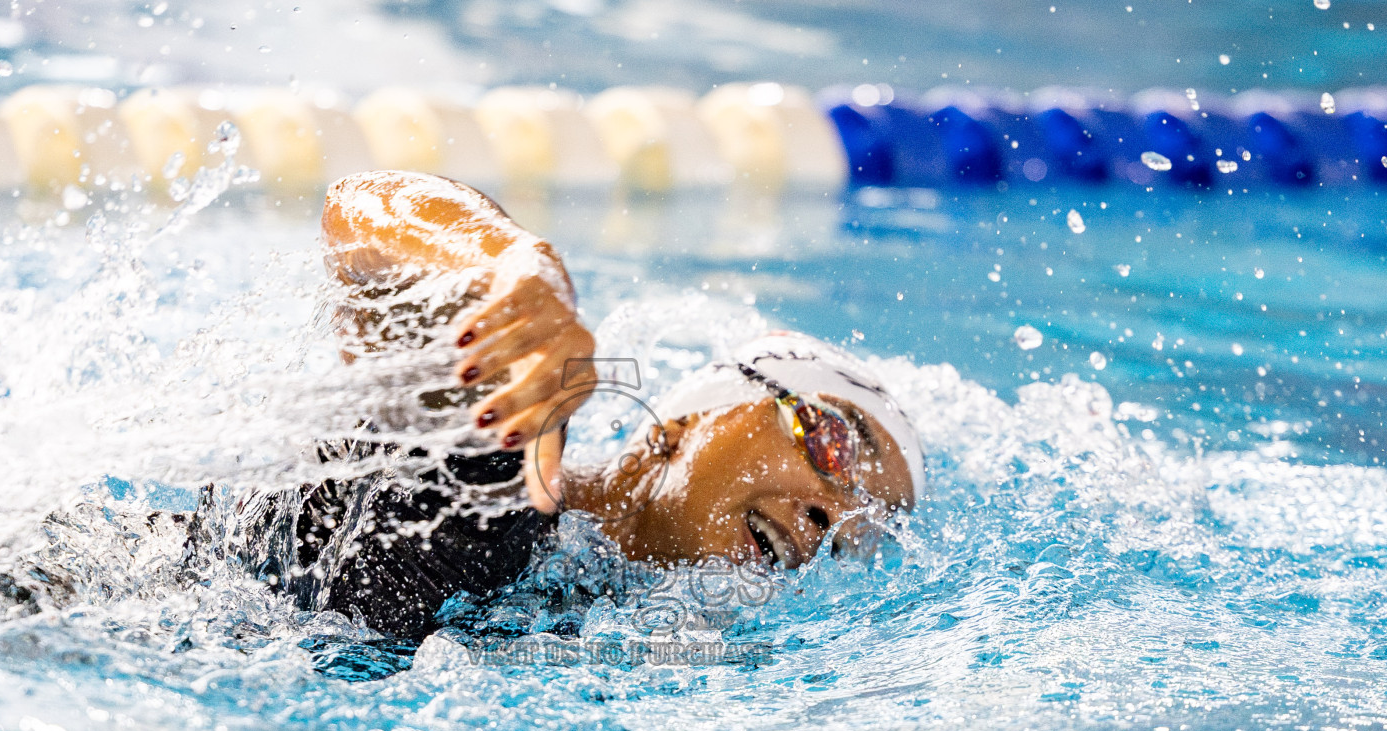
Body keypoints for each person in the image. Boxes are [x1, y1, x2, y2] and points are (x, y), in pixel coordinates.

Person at [216, 171, 925, 643]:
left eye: (868, 528)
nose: (836, 518)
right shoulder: (501, 470)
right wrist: (513, 269)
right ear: (683, 425)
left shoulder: (625, 636)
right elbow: (362, 208)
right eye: (834, 445)